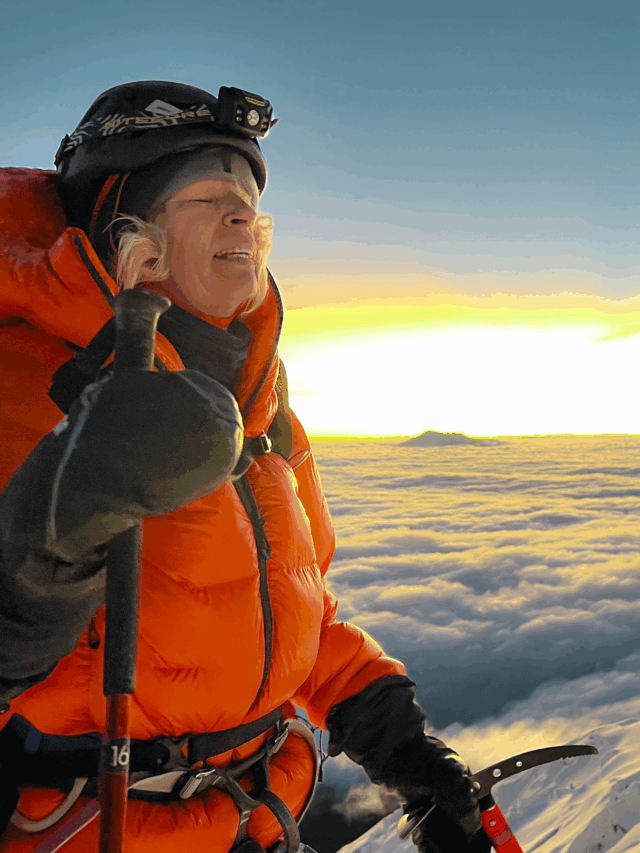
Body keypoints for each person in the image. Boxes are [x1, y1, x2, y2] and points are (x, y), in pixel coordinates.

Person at [0, 81, 490, 853]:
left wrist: (407, 751)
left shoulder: (262, 407)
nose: (242, 215)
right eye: (206, 194)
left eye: (249, 198)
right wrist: (31, 589)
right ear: (127, 226)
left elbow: (295, 605)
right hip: (92, 826)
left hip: (263, 821)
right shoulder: (17, 373)